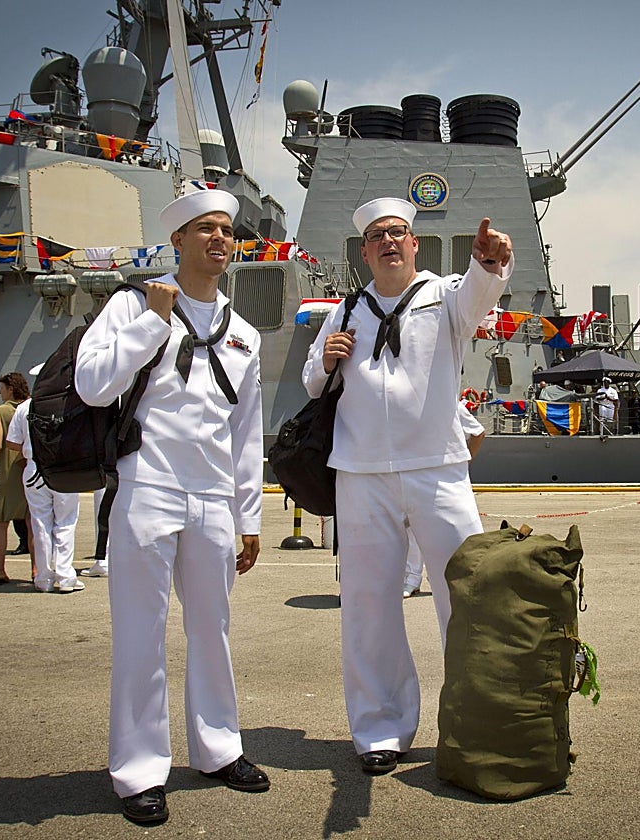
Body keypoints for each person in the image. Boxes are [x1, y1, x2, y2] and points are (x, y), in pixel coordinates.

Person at [75, 187, 268, 825]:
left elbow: (245, 434)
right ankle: (138, 770)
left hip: (213, 497)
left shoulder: (241, 332)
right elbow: (93, 384)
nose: (219, 239)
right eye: (204, 229)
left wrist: (249, 518)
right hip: (147, 489)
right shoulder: (132, 304)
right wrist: (152, 323)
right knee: (140, 634)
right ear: (177, 241)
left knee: (211, 630)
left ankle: (217, 749)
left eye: (226, 231)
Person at [301, 196, 512, 776]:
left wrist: (490, 265)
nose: (390, 242)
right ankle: (380, 729)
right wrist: (327, 360)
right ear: (364, 251)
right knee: (368, 605)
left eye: (399, 233)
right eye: (378, 236)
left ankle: (477, 720)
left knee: (465, 596)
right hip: (360, 472)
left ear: (414, 244)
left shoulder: (444, 297)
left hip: (437, 468)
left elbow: (480, 296)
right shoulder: (345, 310)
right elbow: (312, 383)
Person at [4, 367, 83, 594]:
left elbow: (11, 442)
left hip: (34, 468)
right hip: (63, 468)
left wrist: (33, 450)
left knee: (40, 524)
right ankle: (65, 576)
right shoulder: (72, 403)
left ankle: (44, 578)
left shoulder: (24, 407)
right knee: (66, 522)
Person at [403, 401, 486, 598]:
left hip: (444, 479)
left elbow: (478, 432)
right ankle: (412, 579)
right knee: (411, 529)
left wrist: (466, 461)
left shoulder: (451, 402)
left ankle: (441, 579)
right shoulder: (412, 401)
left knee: (447, 533)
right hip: (415, 474)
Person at [0, 373, 31, 584]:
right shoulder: (31, 407)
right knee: (31, 520)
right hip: (27, 466)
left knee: (2, 521)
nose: (0, 392)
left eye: (3, 388)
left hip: (7, 468)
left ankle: (0, 571)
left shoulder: (0, 411)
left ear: (10, 389)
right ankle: (35, 568)